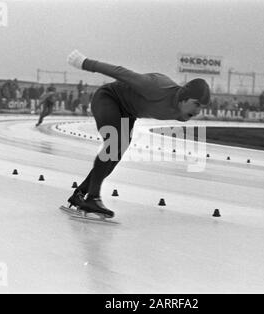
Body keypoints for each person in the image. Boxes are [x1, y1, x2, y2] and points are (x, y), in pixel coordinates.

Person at [65, 49, 211, 219]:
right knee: (115, 143)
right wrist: (85, 62)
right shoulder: (156, 87)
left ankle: (81, 194)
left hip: (128, 112)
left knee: (116, 154)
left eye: (202, 107)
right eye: (196, 104)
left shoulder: (182, 114)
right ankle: (93, 197)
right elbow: (121, 73)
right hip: (108, 98)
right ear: (184, 97)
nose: (198, 111)